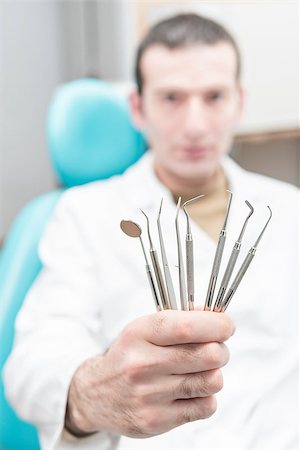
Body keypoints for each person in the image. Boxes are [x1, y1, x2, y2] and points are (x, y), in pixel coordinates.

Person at [3, 13, 298, 450]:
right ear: (138, 108)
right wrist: (93, 395)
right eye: (172, 98)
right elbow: (33, 363)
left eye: (214, 97)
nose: (195, 124)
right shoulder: (84, 214)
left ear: (239, 102)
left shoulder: (290, 209)